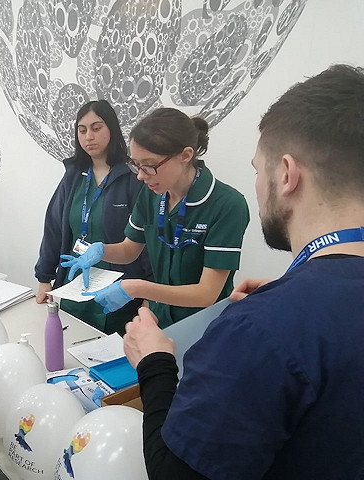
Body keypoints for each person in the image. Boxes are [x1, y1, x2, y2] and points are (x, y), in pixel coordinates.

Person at [123, 64, 364, 479]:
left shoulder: (257, 332)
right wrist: (296, 292)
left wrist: (155, 364)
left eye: (258, 169)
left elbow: (173, 471)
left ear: (286, 174)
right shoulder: (284, 317)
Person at [63, 107, 250, 327]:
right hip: (159, 319)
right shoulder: (151, 195)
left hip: (205, 325)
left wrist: (137, 289)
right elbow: (129, 249)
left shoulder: (227, 205)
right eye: (136, 165)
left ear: (185, 155)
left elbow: (207, 293)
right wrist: (101, 250)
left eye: (149, 166)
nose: (141, 176)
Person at [34, 99, 152, 335]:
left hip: (118, 288)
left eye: (96, 128)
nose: (89, 136)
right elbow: (54, 227)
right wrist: (44, 278)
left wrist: (149, 293)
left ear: (112, 129)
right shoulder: (74, 175)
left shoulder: (132, 178)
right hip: (73, 282)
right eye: (82, 129)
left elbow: (146, 240)